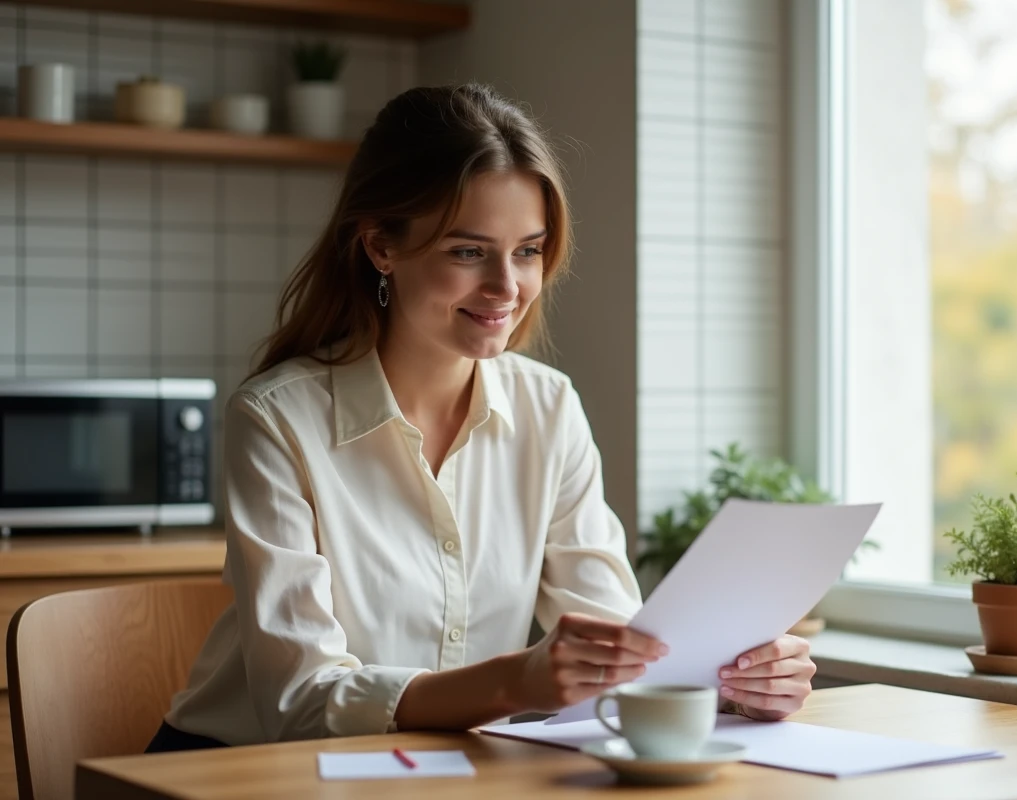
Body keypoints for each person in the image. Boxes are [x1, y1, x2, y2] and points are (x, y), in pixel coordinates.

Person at [146, 83, 816, 752]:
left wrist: (735, 680)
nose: (507, 287)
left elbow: (615, 643)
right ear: (381, 245)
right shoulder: (276, 419)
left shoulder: (548, 409)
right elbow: (299, 702)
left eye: (528, 250)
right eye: (468, 252)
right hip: (235, 771)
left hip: (431, 770)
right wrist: (514, 682)